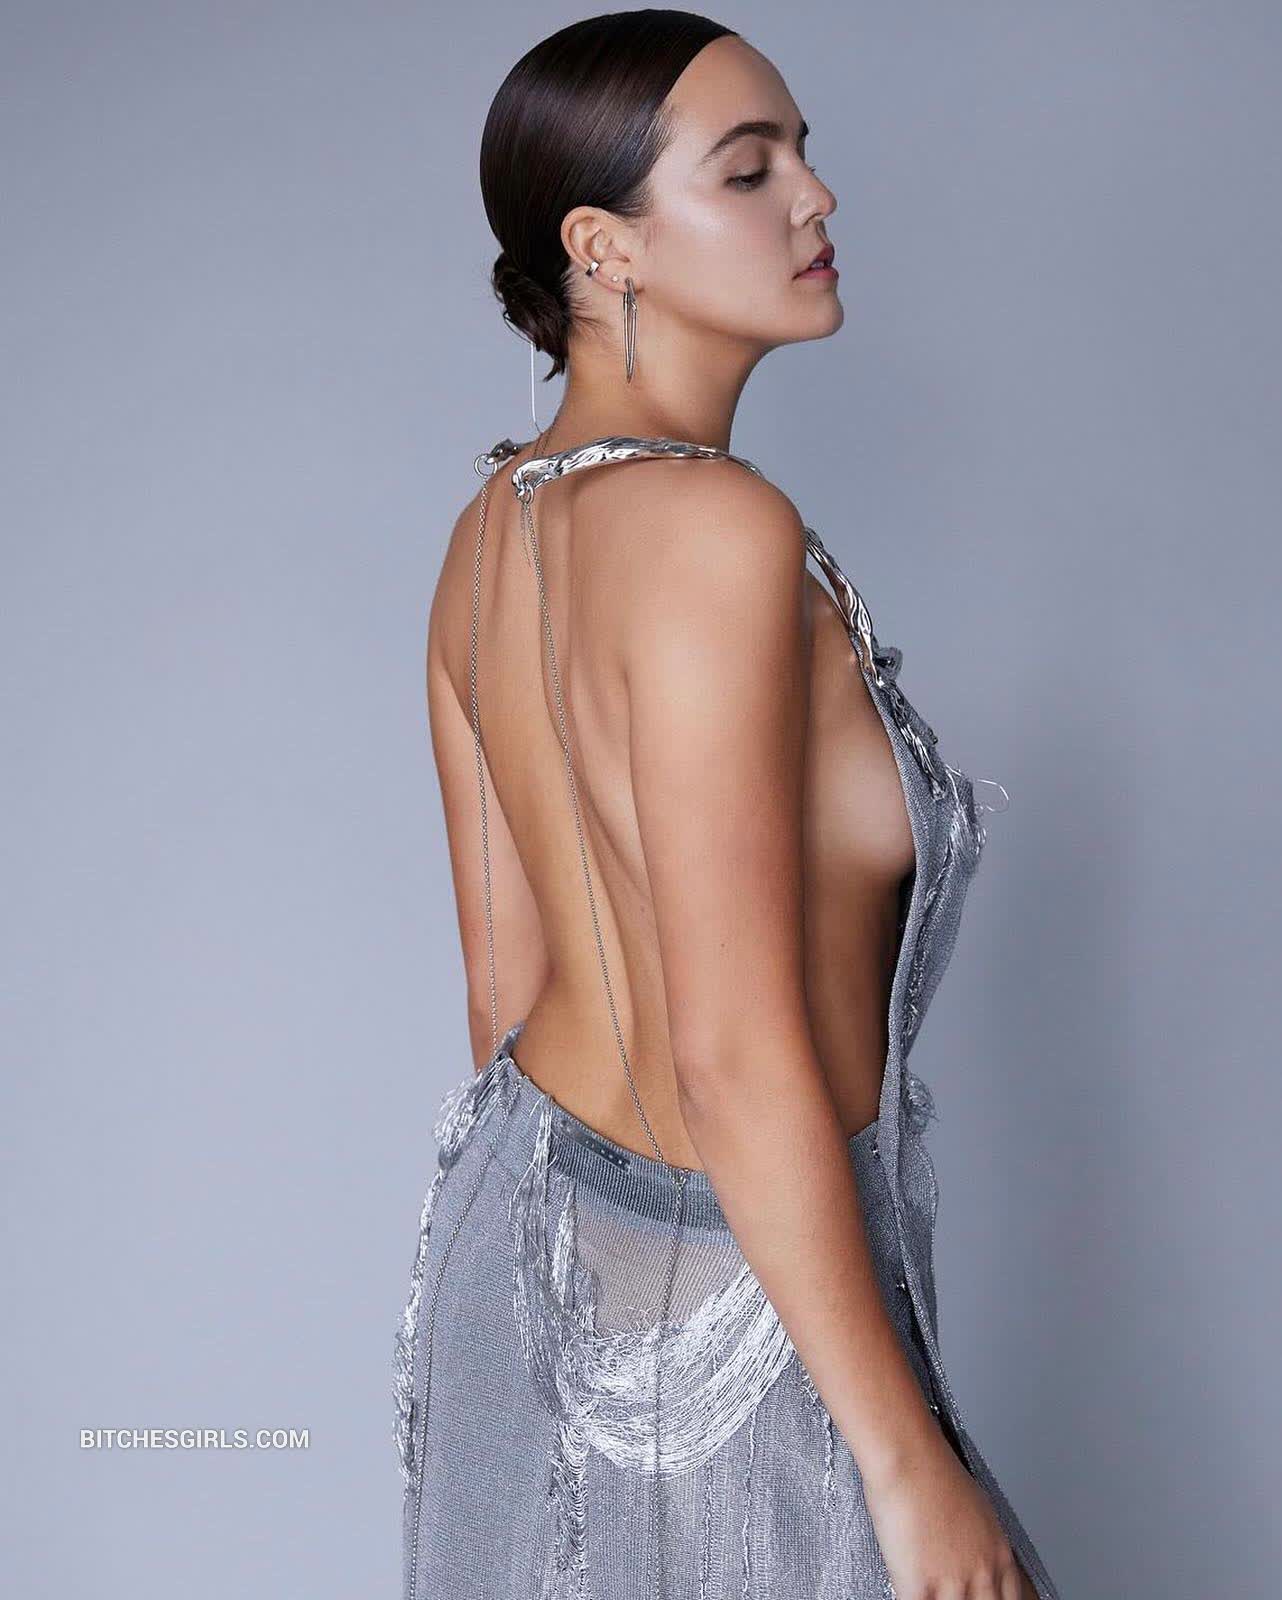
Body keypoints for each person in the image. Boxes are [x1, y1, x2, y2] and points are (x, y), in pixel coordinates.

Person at [394, 11, 1061, 1599]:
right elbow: (731, 1044)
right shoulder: (719, 531)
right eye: (750, 171)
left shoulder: (488, 536)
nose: (815, 198)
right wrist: (905, 1467)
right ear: (603, 247)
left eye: (804, 156)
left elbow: (501, 996)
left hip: (535, 1254)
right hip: (755, 1291)